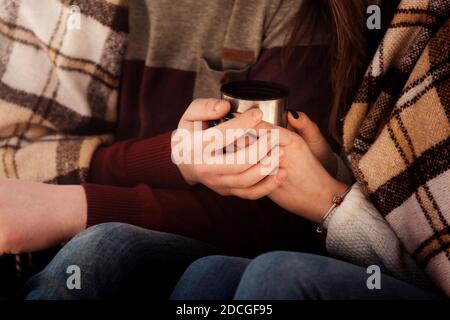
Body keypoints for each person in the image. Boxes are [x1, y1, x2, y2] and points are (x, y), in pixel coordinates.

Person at [25, 0, 449, 300]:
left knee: (267, 274)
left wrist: (330, 200)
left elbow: (278, 217)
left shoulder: (322, 18)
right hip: (305, 226)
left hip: (304, 238)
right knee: (108, 250)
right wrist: (333, 174)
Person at [1, 0, 328, 294]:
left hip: (225, 245)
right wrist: (175, 157)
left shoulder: (286, 10)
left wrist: (81, 207)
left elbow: (284, 209)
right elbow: (29, 156)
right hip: (97, 223)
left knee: (101, 249)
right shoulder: (87, 16)